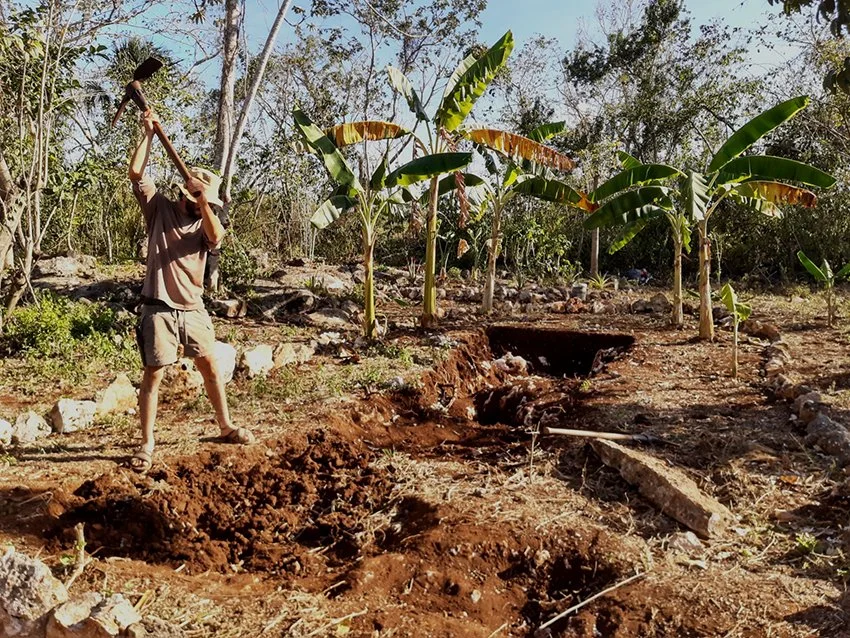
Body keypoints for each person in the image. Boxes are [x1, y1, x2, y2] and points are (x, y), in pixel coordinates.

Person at [127, 110, 254, 473]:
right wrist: (149, 134)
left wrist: (204, 204)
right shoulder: (159, 210)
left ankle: (225, 426)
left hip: (193, 308)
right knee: (153, 373)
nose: (197, 202)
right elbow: (137, 174)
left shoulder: (206, 223)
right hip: (158, 308)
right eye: (194, 195)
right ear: (184, 191)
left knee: (210, 365)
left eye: (204, 199)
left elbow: (217, 238)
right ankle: (147, 444)